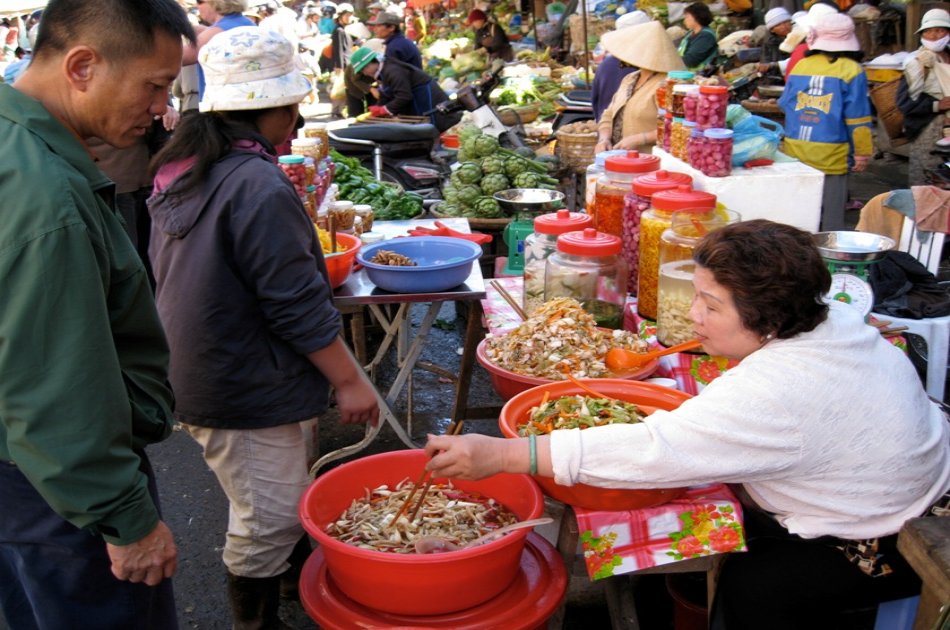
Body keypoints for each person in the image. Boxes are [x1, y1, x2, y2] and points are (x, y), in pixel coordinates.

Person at [424, 219, 950, 629]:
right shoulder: (830, 319)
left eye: (711, 304)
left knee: (752, 589)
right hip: (915, 475)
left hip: (886, 536)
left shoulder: (778, 389)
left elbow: (655, 448)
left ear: (767, 317)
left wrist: (501, 455)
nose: (693, 314)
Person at [147, 26, 380, 628]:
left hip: (207, 367)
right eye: (292, 110)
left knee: (263, 495)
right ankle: (256, 617)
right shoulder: (254, 183)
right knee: (266, 518)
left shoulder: (189, 166)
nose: (298, 124)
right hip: (242, 382)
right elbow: (295, 305)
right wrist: (352, 381)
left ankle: (283, 583)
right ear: (261, 109)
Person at [0, 0, 195, 627]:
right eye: (155, 85)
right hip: (58, 493)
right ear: (83, 65)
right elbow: (54, 385)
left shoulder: (20, 146)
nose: (161, 107)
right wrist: (127, 519)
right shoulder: (46, 197)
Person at [779, 12, 871, 231]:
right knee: (831, 218)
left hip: (795, 151)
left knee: (799, 214)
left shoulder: (801, 66)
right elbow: (858, 118)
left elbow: (784, 103)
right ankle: (828, 261)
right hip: (833, 155)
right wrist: (862, 153)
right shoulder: (852, 70)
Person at [595, 20, 686, 153]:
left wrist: (641, 139)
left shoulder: (668, 85)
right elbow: (609, 114)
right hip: (620, 159)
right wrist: (604, 139)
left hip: (651, 163)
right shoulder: (630, 79)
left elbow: (678, 128)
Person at [353, 45, 461, 130]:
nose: (365, 73)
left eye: (363, 70)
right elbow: (387, 92)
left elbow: (404, 96)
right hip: (418, 100)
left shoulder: (393, 71)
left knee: (434, 124)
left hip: (426, 97)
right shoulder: (383, 71)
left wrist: (385, 109)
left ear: (370, 64)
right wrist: (378, 108)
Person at [898, 8, 950, 185]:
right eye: (928, 31)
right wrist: (937, 105)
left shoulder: (947, 58)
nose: (933, 36)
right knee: (927, 183)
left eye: (939, 30)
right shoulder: (917, 63)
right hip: (928, 130)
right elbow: (904, 103)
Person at [183, 0, 256, 99]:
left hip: (225, 104)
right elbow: (209, 32)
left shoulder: (218, 32)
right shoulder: (243, 22)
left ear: (216, 3)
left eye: (200, 2)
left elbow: (180, 57)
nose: (197, 6)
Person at [591, 10, 651, 121]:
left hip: (606, 130)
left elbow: (596, 103)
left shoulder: (606, 64)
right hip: (629, 132)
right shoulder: (641, 67)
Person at [678, 2, 718, 71]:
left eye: (687, 17)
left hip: (698, 76)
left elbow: (691, 61)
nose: (685, 20)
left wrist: (672, 60)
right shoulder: (690, 33)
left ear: (696, 17)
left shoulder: (706, 36)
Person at [756, 7, 793, 76]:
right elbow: (765, 63)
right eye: (778, 25)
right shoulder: (768, 42)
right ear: (772, 30)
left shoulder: (799, 37)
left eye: (785, 22)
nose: (784, 26)